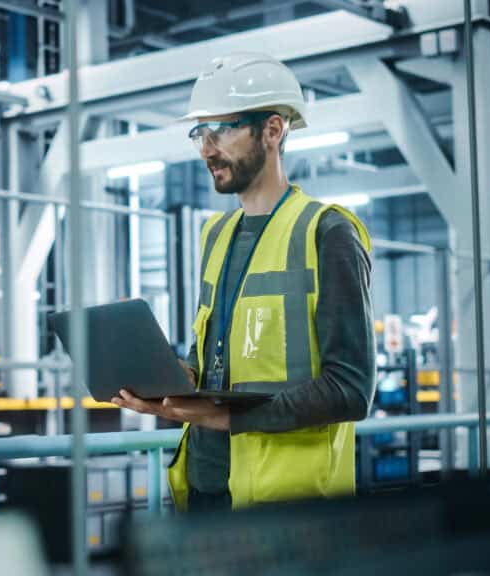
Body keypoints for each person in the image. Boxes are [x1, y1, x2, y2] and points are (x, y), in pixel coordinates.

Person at [111, 52, 376, 512]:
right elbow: (209, 362)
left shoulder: (328, 233)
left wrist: (222, 416)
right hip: (201, 492)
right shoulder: (215, 236)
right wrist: (168, 380)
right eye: (200, 133)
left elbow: (349, 390)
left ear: (272, 131)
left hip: (288, 506)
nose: (206, 149)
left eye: (223, 130)